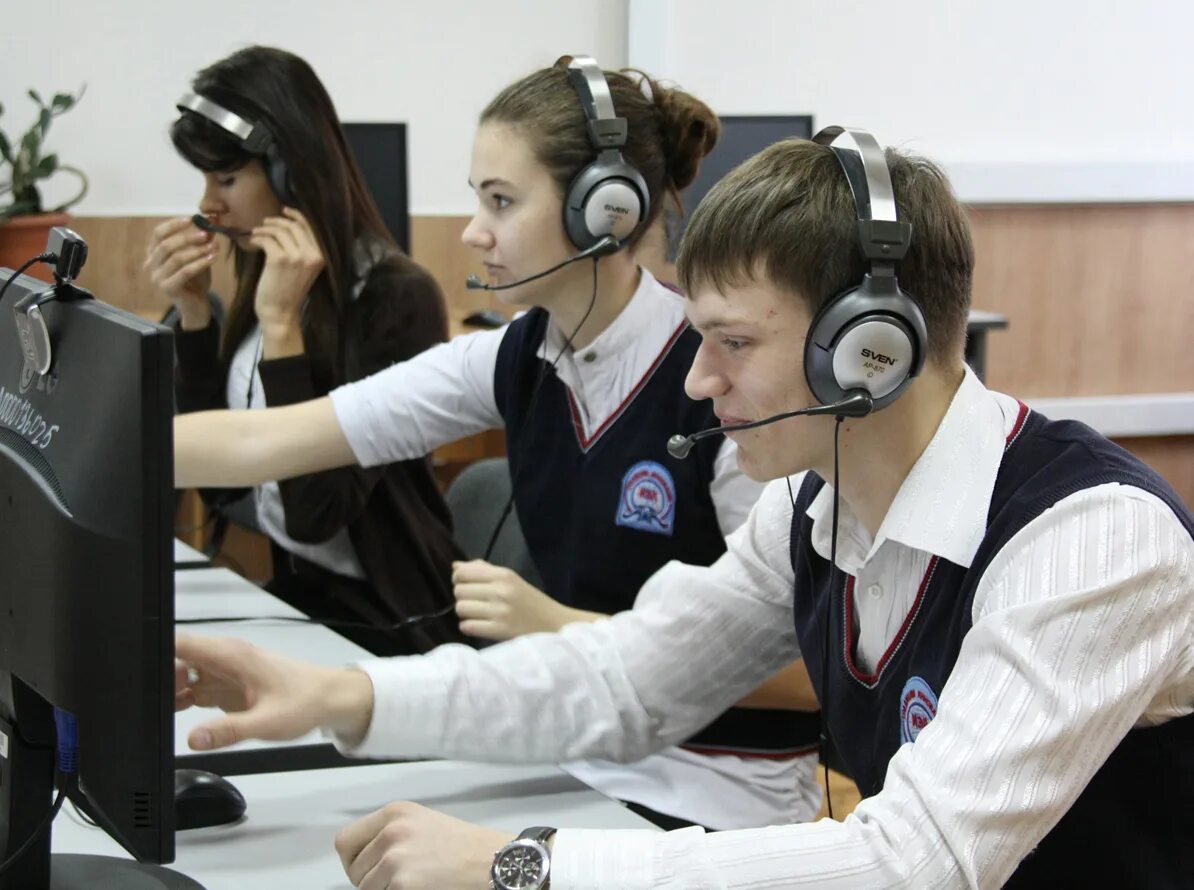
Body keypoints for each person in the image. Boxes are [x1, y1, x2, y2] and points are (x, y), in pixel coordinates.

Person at [174, 124, 1194, 889]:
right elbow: (629, 677)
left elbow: (915, 859)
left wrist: (522, 864)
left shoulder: (1092, 539)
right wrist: (341, 693)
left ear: (872, 353)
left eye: (734, 343)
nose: (700, 382)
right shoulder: (812, 505)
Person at [171, 56, 824, 832]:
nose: (473, 231)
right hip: (572, 751)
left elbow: (806, 673)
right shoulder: (518, 355)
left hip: (717, 791)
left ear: (606, 212)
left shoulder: (722, 385)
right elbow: (268, 439)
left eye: (501, 201)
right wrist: (97, 444)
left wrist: (559, 624)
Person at [146, 46, 466, 655]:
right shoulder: (264, 268)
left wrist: (280, 327)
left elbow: (315, 516)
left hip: (390, 620)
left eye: (226, 179)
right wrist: (194, 313)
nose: (208, 205)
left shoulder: (396, 298)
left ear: (290, 174)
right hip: (304, 598)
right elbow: (221, 484)